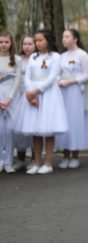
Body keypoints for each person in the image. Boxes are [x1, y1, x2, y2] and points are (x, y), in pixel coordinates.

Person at [15, 30, 68, 174]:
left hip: (48, 94)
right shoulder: (33, 57)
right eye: (36, 41)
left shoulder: (55, 57)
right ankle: (37, 163)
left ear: (48, 41)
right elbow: (27, 76)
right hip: (32, 95)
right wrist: (30, 93)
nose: (37, 43)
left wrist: (36, 91)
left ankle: (48, 163)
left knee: (48, 129)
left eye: (40, 40)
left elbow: (52, 77)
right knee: (35, 130)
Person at [56, 29, 88, 169]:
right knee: (64, 120)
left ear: (75, 39)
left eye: (67, 36)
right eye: (63, 36)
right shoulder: (61, 56)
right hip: (63, 91)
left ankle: (75, 155)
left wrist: (71, 82)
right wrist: (59, 81)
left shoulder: (82, 55)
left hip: (76, 91)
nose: (64, 39)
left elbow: (87, 75)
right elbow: (57, 73)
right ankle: (65, 154)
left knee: (75, 121)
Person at [13, 35, 35, 171]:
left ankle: (34, 158)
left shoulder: (37, 59)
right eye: (24, 44)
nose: (27, 46)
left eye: (30, 44)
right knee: (19, 130)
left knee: (32, 129)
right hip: (18, 97)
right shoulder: (17, 60)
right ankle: (20, 158)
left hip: (32, 97)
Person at [0, 32, 21, 173]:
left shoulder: (17, 59)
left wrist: (9, 98)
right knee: (0, 130)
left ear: (11, 43)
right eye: (1, 42)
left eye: (6, 42)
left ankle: (8, 161)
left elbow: (17, 80)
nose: (3, 45)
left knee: (9, 130)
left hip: (12, 98)